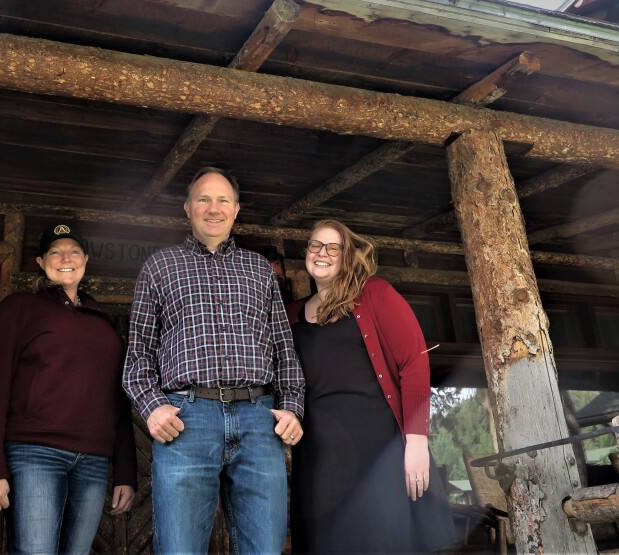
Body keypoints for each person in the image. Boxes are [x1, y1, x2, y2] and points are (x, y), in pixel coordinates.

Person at [123, 167, 305, 554]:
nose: (213, 208)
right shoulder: (160, 266)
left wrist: (291, 407)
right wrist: (153, 409)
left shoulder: (259, 269)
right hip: (186, 420)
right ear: (187, 208)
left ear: (236, 210)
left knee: (266, 548)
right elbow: (137, 354)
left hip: (260, 419)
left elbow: (284, 349)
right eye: (203, 198)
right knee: (179, 548)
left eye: (223, 200)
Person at [286, 219, 456, 553]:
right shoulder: (292, 314)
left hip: (378, 450)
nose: (322, 253)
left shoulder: (375, 294)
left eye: (333, 247)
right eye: (315, 245)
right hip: (319, 456)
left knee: (382, 541)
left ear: (347, 257)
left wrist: (417, 441)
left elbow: (414, 361)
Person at [0, 223, 137, 555]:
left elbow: (117, 404)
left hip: (93, 461)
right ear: (40, 261)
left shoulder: (103, 323)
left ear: (85, 260)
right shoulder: (19, 308)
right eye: (55, 252)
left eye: (74, 251)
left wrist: (125, 472)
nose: (66, 258)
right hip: (35, 454)